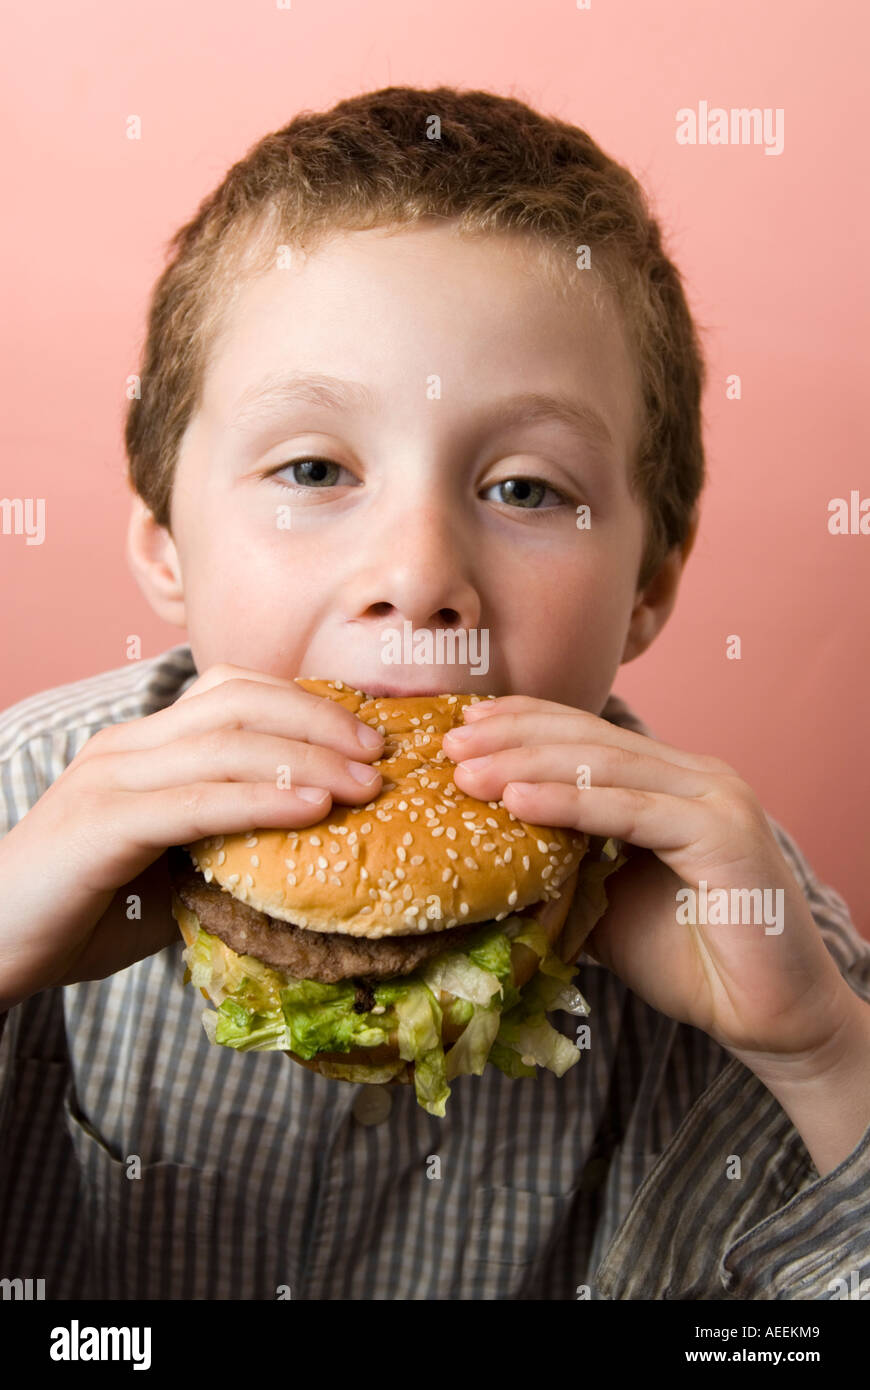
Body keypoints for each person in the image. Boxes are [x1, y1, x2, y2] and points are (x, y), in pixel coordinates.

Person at [1, 85, 868, 1302]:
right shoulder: (18, 808)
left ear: (648, 586)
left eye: (524, 488)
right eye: (313, 467)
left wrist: (828, 1059)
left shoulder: (744, 919)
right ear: (164, 544)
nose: (417, 579)